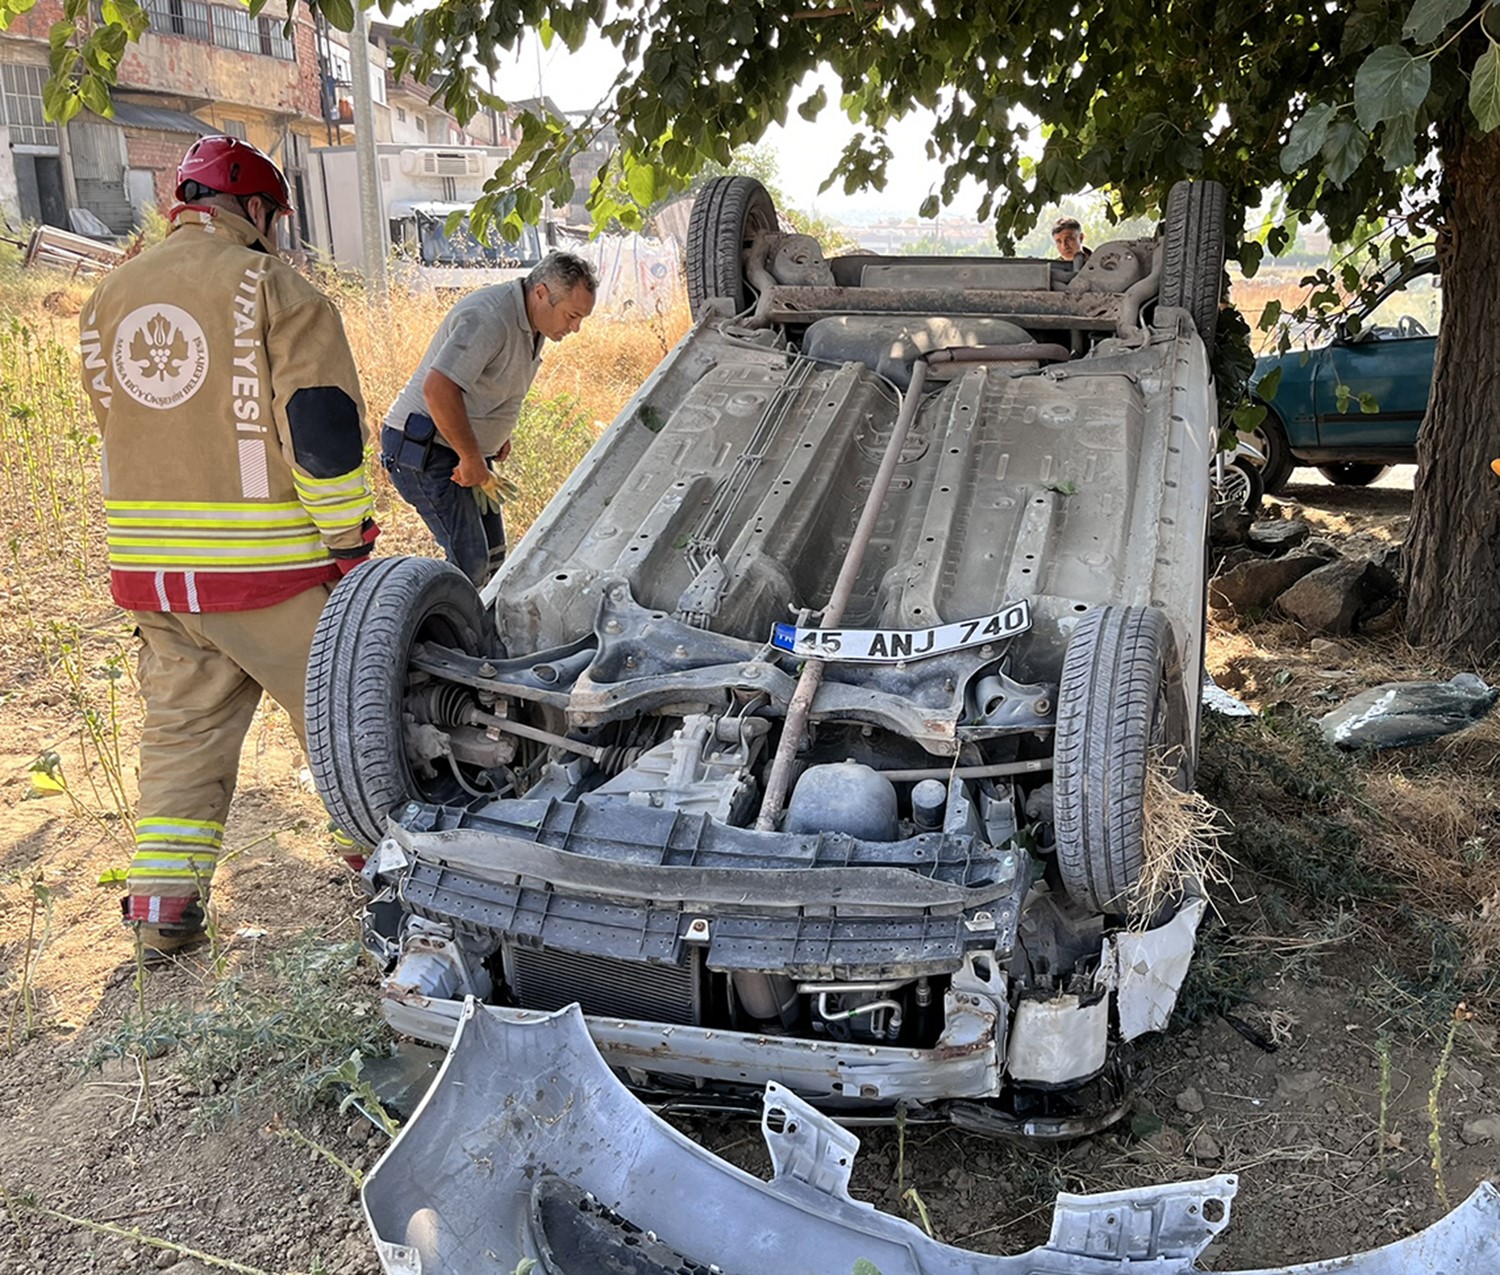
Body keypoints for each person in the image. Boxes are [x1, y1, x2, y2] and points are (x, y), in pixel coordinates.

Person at [79, 136, 378, 956]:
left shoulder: (107, 295)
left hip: (154, 575)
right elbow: (320, 431)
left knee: (182, 730)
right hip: (264, 570)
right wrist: (348, 543)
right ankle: (391, 871)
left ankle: (164, 906)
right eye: (272, 217)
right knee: (346, 719)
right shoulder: (274, 287)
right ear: (253, 208)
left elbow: (120, 420)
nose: (274, 232)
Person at [381, 251, 598, 586]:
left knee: (494, 556)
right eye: (572, 316)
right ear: (541, 293)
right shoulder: (490, 317)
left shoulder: (533, 321)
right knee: (470, 563)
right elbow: (439, 389)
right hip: (424, 448)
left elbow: (493, 381)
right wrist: (471, 456)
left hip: (463, 448)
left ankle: (484, 630)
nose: (576, 328)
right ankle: (451, 634)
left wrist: (495, 434)